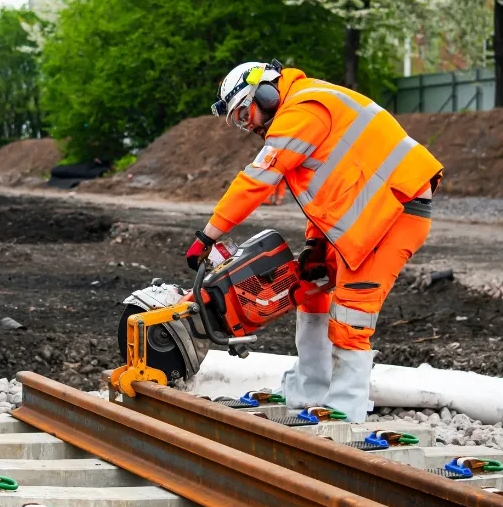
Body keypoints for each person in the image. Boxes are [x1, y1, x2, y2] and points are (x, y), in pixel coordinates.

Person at [185, 60, 443, 422]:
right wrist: (314, 247)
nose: (248, 125)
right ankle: (309, 389)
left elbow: (257, 180)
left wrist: (207, 234)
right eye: (240, 120)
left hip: (396, 211)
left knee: (353, 308)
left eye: (245, 113)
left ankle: (345, 408)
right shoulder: (304, 108)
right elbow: (328, 196)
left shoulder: (305, 109)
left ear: (266, 93)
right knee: (311, 288)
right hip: (372, 214)